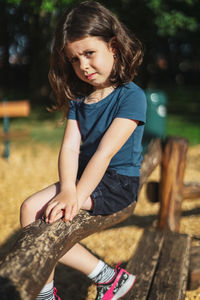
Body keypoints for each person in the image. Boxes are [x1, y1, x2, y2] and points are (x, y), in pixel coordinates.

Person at [20, 1, 146, 299]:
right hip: (84, 179)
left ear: (113, 46)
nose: (83, 66)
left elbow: (104, 154)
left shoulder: (131, 97)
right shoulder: (80, 100)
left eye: (89, 54)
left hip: (117, 182)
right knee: (29, 208)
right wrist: (67, 189)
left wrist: (74, 196)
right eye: (74, 60)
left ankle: (103, 278)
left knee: (53, 216)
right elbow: (69, 147)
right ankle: (53, 292)